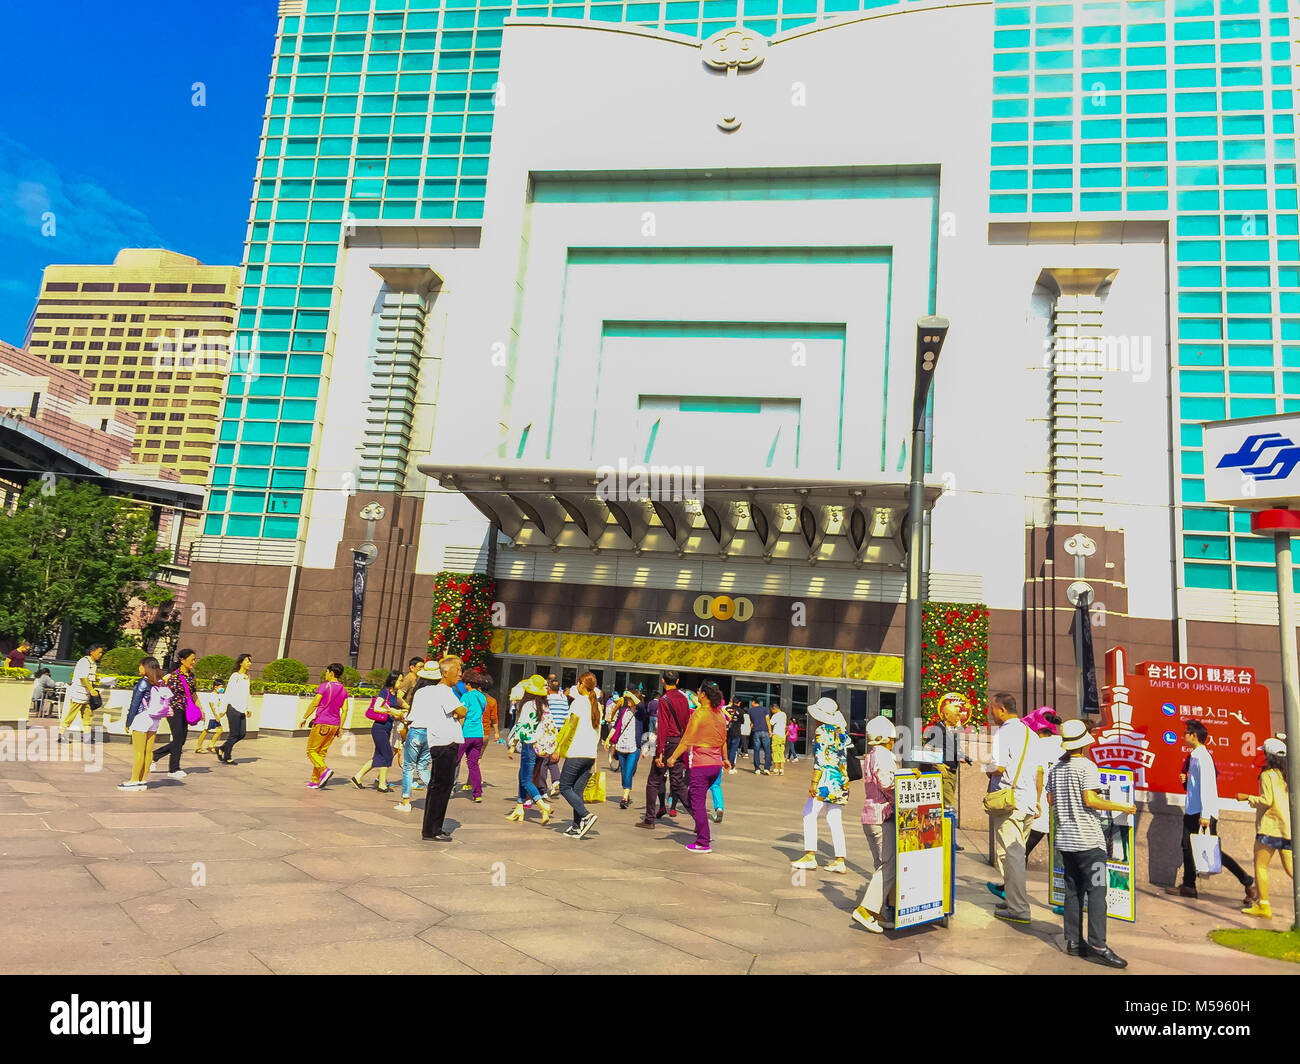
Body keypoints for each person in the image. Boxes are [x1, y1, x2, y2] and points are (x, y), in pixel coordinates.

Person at [1047, 719, 1135, 968]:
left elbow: (1051, 800)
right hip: (1089, 842)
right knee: (1097, 893)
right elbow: (1091, 799)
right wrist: (1121, 806)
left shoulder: (1056, 769)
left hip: (1066, 841)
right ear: (1084, 743)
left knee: (1072, 892)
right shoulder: (1087, 766)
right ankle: (1098, 944)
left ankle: (1074, 942)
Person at [1164, 719, 1258, 904]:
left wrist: (1206, 815)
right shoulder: (1194, 756)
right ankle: (1189, 886)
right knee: (1187, 847)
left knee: (1214, 853)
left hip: (1202, 813)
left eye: (1186, 733)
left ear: (1194, 736)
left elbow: (1208, 787)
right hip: (1193, 810)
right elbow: (1195, 788)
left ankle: (1248, 882)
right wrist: (1185, 781)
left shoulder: (1203, 758)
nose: (1184, 736)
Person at [984, 692, 1036, 925]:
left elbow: (999, 766)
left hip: (1009, 803)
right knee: (1015, 853)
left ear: (1002, 710)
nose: (991, 713)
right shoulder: (1030, 733)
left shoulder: (1004, 733)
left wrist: (987, 768)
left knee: (1011, 856)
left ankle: (1019, 909)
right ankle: (1014, 899)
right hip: (1027, 801)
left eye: (992, 709)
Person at [666, 680, 730, 853]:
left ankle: (703, 841)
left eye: (699, 691)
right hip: (715, 766)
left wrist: (672, 757)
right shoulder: (720, 715)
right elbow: (724, 740)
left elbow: (686, 739)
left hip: (701, 765)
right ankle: (701, 830)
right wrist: (725, 758)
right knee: (696, 798)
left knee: (697, 803)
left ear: (703, 695)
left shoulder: (699, 714)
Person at [409, 656, 467, 841]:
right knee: (441, 787)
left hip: (441, 742)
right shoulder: (444, 691)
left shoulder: (436, 691)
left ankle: (434, 828)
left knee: (440, 787)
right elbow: (462, 711)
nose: (459, 674)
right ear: (444, 673)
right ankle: (431, 830)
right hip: (445, 743)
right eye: (456, 670)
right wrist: (462, 708)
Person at [791, 697, 850, 875]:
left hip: (825, 780)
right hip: (840, 780)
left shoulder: (822, 731)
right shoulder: (842, 732)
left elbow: (820, 760)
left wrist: (814, 782)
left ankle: (810, 855)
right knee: (834, 819)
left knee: (808, 813)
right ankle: (840, 860)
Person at [853, 716, 900, 933]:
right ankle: (866, 909)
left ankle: (876, 911)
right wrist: (905, 786)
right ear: (887, 737)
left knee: (881, 864)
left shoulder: (871, 755)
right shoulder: (883, 755)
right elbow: (887, 783)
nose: (894, 741)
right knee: (888, 865)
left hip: (870, 816)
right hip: (882, 816)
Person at [1238, 737, 1293, 919]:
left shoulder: (1267, 775)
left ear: (1268, 755)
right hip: (1287, 827)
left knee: (1260, 866)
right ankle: (1263, 905)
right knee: (1292, 869)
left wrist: (1247, 797)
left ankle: (1264, 906)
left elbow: (1267, 800)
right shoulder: (1287, 774)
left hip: (1270, 827)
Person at [637, 671, 694, 829]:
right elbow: (687, 722)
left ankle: (649, 819)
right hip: (680, 743)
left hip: (668, 742)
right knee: (678, 783)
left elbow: (663, 727)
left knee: (654, 781)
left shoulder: (664, 700)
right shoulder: (684, 698)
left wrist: (659, 753)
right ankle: (698, 816)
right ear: (677, 681)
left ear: (663, 681)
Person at [555, 671, 602, 838]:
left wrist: (557, 747)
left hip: (577, 752)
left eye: (578, 683)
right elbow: (598, 732)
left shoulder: (578, 703)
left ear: (582, 685)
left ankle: (586, 815)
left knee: (564, 787)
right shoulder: (597, 705)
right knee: (577, 790)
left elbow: (568, 728)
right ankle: (576, 826)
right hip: (589, 753)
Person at [505, 674, 554, 824]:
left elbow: (520, 726)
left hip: (529, 745)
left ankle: (542, 805)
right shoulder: (545, 706)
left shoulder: (527, 705)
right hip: (541, 746)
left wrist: (512, 746)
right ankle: (519, 808)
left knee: (526, 779)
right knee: (522, 775)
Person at [119, 660, 171, 791]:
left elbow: (135, 703)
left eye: (140, 665)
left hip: (142, 717)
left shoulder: (144, 681)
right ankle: (142, 780)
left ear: (145, 667)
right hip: (155, 718)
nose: (139, 668)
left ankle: (134, 780)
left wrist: (128, 721)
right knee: (148, 751)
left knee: (138, 751)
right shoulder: (160, 682)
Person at [298, 662, 349, 789]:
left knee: (311, 751)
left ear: (331, 673)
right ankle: (315, 780)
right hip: (334, 725)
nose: (325, 674)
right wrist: (340, 727)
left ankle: (324, 770)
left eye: (326, 672)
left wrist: (304, 717)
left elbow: (315, 703)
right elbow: (345, 710)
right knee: (320, 753)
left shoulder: (324, 686)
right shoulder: (344, 690)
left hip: (322, 723)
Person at [351, 671, 403, 792]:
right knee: (387, 755)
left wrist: (398, 715)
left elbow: (397, 708)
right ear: (393, 680)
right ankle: (382, 784)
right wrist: (392, 712)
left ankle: (357, 777)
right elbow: (376, 708)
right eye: (399, 680)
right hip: (379, 728)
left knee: (379, 756)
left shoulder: (395, 695)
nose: (401, 683)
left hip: (387, 728)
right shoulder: (385, 692)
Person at [152, 649, 199, 778]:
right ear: (182, 660)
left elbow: (194, 693)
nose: (193, 662)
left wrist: (200, 708)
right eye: (192, 659)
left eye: (195, 659)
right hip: (174, 710)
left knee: (181, 740)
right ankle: (174, 769)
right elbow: (162, 691)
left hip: (186, 709)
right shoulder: (173, 676)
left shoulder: (191, 676)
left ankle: (155, 755)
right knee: (178, 738)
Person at [454, 668, 492, 802]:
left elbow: (462, 715)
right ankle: (477, 794)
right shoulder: (482, 697)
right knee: (473, 765)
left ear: (468, 684)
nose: (464, 685)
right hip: (478, 735)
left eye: (465, 683)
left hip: (465, 734)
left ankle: (447, 789)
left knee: (453, 762)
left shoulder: (466, 696)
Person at [59, 644, 104, 744]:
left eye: (101, 652)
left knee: (88, 715)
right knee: (71, 714)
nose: (100, 654)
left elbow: (93, 678)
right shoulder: (84, 662)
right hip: (78, 693)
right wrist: (91, 690)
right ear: (92, 652)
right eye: (99, 652)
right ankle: (61, 734)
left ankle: (87, 737)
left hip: (86, 695)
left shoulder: (93, 663)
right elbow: (83, 678)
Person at [607, 692, 642, 809]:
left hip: (634, 747)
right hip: (621, 745)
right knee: (624, 772)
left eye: (630, 699)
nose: (628, 700)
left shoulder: (640, 713)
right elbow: (617, 726)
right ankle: (627, 791)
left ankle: (624, 797)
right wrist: (608, 739)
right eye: (627, 698)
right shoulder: (623, 711)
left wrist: (632, 695)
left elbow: (640, 705)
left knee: (628, 772)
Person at [216, 654, 252, 764]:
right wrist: (223, 709)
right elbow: (228, 693)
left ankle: (222, 748)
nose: (249, 663)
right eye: (247, 661)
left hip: (242, 709)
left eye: (250, 661)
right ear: (241, 663)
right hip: (233, 708)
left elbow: (247, 694)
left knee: (242, 734)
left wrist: (249, 707)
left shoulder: (247, 677)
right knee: (234, 734)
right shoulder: (235, 676)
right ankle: (227, 756)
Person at [541, 675, 570, 797]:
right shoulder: (564, 699)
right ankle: (556, 781)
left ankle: (542, 789)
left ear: (548, 688)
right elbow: (567, 717)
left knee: (543, 760)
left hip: (548, 732)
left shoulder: (546, 699)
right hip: (560, 732)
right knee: (553, 760)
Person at [193, 682, 227, 755]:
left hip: (215, 716)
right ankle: (198, 747)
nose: (222, 689)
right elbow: (211, 705)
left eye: (223, 687)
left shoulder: (218, 696)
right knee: (205, 731)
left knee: (220, 730)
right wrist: (216, 716)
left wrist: (221, 713)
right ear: (215, 687)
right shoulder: (212, 695)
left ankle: (211, 745)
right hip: (210, 717)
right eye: (221, 687)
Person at [748, 696, 772, 774]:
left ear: (754, 702)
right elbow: (767, 720)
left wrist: (750, 729)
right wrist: (770, 730)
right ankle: (767, 768)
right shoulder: (765, 709)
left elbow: (752, 722)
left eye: (752, 702)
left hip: (756, 732)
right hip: (765, 731)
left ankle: (757, 768)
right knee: (767, 750)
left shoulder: (750, 711)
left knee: (756, 750)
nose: (751, 703)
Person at [770, 702, 788, 775]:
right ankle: (781, 769)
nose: (771, 711)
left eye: (771, 710)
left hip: (776, 735)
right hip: (782, 736)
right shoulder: (784, 714)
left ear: (774, 708)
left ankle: (776, 769)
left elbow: (771, 723)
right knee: (781, 752)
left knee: (775, 752)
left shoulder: (775, 715)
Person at [726, 698, 743, 772]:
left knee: (727, 749)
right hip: (736, 732)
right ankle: (731, 766)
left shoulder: (727, 709)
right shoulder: (740, 711)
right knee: (733, 750)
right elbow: (742, 721)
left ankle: (725, 765)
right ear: (739, 703)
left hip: (728, 732)